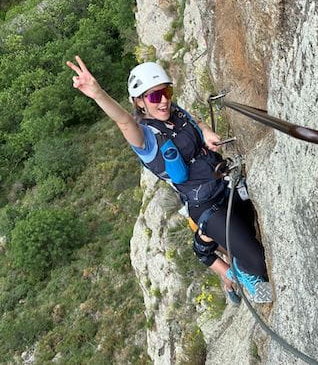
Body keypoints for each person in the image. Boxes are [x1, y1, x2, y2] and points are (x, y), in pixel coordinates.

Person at [66, 56, 272, 304]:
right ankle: (235, 269)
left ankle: (219, 251)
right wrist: (98, 94)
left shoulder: (175, 112)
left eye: (166, 91)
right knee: (258, 264)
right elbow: (123, 121)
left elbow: (194, 120)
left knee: (253, 224)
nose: (163, 100)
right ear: (140, 102)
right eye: (154, 96)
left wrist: (205, 131)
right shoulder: (146, 138)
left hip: (226, 184)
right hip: (206, 206)